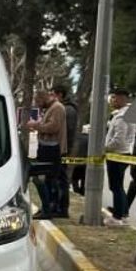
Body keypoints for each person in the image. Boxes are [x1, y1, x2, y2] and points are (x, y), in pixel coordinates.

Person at [27, 89, 66, 219]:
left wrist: (36, 126)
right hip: (45, 146)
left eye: (38, 102)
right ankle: (46, 207)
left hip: (51, 148)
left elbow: (53, 127)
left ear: (43, 98)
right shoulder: (50, 108)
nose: (38, 105)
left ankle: (48, 208)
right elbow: (46, 124)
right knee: (44, 180)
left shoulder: (57, 108)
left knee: (43, 179)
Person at [104, 88, 136, 221]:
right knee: (118, 185)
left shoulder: (122, 117)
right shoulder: (129, 114)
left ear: (122, 98)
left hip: (117, 154)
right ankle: (122, 210)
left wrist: (105, 148)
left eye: (115, 98)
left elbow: (119, 139)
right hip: (124, 153)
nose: (112, 101)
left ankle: (118, 215)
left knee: (115, 186)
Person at [53, 84, 79, 217]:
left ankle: (61, 209)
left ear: (59, 95)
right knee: (57, 178)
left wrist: (61, 148)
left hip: (62, 149)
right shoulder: (64, 108)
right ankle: (57, 207)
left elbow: (66, 131)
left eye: (53, 95)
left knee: (61, 180)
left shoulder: (67, 110)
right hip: (61, 148)